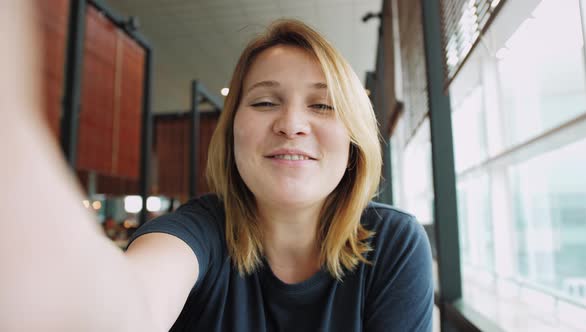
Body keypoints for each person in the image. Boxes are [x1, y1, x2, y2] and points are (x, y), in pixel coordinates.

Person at [0, 1, 433, 330]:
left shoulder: (394, 243)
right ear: (231, 133)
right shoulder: (196, 233)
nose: (291, 125)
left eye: (322, 105)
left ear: (355, 138)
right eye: (265, 102)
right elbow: (132, 307)